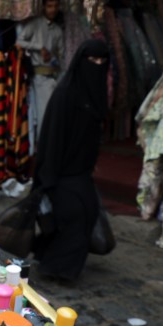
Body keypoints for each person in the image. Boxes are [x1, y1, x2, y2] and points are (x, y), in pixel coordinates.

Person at [33, 39, 110, 282]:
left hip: (81, 172)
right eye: (92, 61)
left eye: (102, 62)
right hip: (61, 172)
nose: (96, 66)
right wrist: (48, 179)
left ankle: (57, 264)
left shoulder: (95, 95)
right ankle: (56, 268)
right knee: (74, 215)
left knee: (86, 212)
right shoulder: (65, 94)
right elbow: (53, 138)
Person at [17, 0, 64, 138]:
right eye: (50, 6)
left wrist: (54, 60)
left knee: (53, 114)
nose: (53, 10)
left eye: (55, 6)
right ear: (44, 7)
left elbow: (61, 55)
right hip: (38, 77)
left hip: (53, 76)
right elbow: (19, 42)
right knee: (43, 115)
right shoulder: (35, 24)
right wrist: (39, 47)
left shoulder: (57, 30)